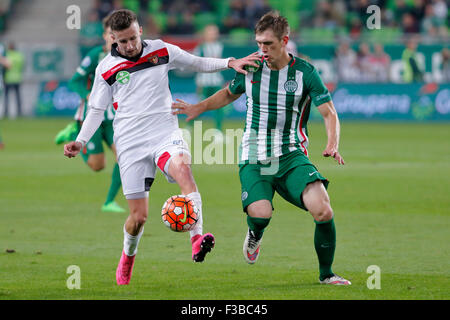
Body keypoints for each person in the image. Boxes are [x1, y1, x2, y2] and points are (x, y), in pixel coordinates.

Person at [63, 9, 260, 285]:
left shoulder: (161, 51)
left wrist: (230, 62)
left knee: (183, 169)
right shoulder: (106, 68)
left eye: (133, 38)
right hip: (130, 143)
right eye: (123, 41)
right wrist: (80, 141)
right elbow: (96, 109)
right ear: (112, 38)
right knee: (138, 218)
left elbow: (197, 62)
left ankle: (196, 239)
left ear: (140, 30)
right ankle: (128, 257)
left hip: (164, 133)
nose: (130, 45)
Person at [172, 11, 351, 286]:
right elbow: (228, 93)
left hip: (292, 155)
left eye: (268, 44)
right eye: (259, 43)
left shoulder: (305, 72)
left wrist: (332, 143)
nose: (262, 49)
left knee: (323, 209)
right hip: (254, 155)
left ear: (285, 41)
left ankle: (326, 274)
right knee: (260, 213)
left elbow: (329, 113)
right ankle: (255, 234)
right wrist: (199, 107)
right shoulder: (252, 67)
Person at [56, 14, 125, 213]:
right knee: (98, 166)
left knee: (124, 157)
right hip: (93, 116)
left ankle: (109, 202)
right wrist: (87, 95)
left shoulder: (127, 56)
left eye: (116, 33)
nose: (113, 37)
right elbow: (75, 80)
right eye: (110, 34)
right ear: (104, 36)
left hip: (115, 118)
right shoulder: (96, 55)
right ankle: (73, 135)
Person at [193, 24, 226, 133]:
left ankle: (218, 131)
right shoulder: (200, 48)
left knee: (219, 107)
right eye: (211, 32)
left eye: (215, 32)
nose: (213, 34)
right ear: (205, 34)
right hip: (204, 82)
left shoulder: (220, 46)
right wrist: (198, 84)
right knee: (200, 106)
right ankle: (189, 126)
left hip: (216, 81)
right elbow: (195, 65)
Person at [4, 42, 25, 118]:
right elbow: (22, 66)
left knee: (7, 97)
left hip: (8, 79)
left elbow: (6, 66)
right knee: (18, 97)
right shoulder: (19, 55)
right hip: (17, 78)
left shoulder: (7, 55)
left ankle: (6, 113)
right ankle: (19, 113)